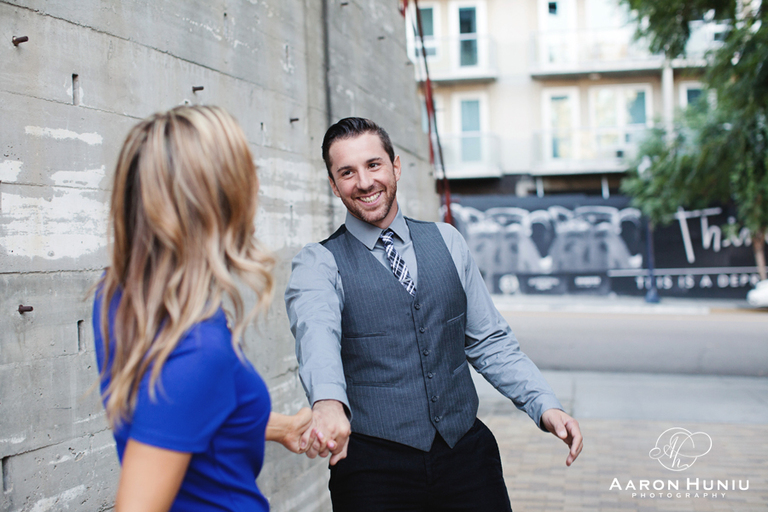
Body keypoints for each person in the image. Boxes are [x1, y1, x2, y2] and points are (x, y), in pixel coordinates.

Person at [286, 117, 583, 511]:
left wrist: (545, 404)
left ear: (395, 166)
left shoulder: (447, 241)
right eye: (347, 172)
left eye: (373, 165)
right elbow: (316, 335)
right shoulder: (318, 263)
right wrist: (326, 403)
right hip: (373, 469)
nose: (363, 182)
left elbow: (489, 341)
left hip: (467, 456)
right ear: (333, 184)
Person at [93, 105, 323, 512]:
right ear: (218, 199)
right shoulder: (196, 346)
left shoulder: (121, 296)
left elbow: (172, 414)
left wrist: (281, 427)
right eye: (246, 173)